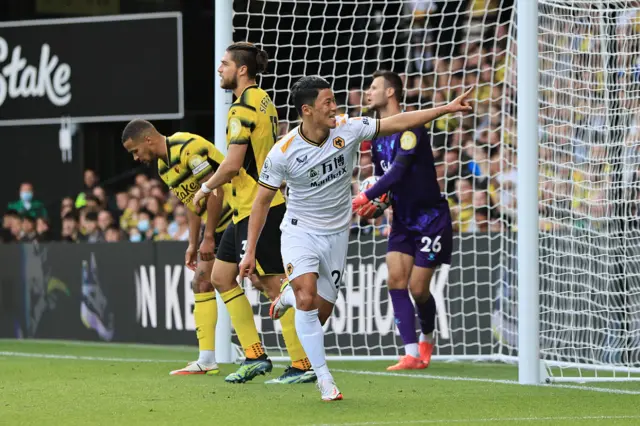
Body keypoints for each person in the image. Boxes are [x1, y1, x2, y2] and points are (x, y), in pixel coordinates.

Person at [238, 76, 472, 401]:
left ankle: (287, 298)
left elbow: (398, 122)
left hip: (337, 234)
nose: (335, 108)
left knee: (315, 315)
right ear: (307, 111)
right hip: (299, 230)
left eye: (334, 101)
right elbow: (261, 202)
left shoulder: (348, 127)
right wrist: (250, 251)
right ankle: (324, 380)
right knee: (307, 297)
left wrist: (445, 108)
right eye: (327, 103)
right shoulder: (282, 153)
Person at [192, 42, 314, 384]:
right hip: (250, 206)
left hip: (258, 208)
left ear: (241, 70)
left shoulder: (242, 108)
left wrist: (203, 189)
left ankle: (303, 363)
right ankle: (254, 355)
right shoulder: (263, 99)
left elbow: (232, 165)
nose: (220, 69)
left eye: (224, 64)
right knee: (220, 276)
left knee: (274, 285)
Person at [358, 70, 451, 370]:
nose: (368, 93)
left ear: (390, 93)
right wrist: (379, 203)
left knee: (419, 289)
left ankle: (427, 336)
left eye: (373, 88)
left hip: (430, 218)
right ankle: (410, 353)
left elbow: (397, 172)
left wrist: (364, 196)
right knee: (396, 281)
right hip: (401, 219)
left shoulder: (411, 128)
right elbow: (387, 182)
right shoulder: (376, 138)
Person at [122, 119, 229, 376]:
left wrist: (209, 236)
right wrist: (193, 242)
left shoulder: (187, 147)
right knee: (201, 282)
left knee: (264, 281)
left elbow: (216, 192)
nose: (136, 158)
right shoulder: (163, 166)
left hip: (239, 215)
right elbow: (194, 202)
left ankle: (298, 360)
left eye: (135, 151)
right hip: (218, 224)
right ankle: (207, 359)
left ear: (148, 140)